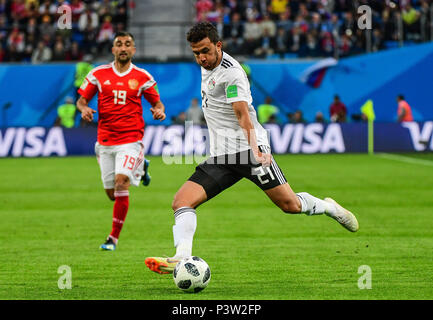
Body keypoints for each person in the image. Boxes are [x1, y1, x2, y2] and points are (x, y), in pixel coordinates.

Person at [144, 22, 359, 274]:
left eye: (205, 51)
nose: (201, 58)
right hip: (222, 155)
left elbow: (241, 113)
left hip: (249, 152)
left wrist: (256, 149)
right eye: (196, 53)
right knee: (181, 201)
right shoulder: (207, 65)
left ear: (218, 45)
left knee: (290, 205)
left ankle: (329, 207)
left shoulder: (232, 73)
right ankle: (181, 257)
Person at [76, 31, 166, 251]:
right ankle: (141, 168)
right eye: (119, 44)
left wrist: (158, 111)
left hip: (131, 138)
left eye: (128, 44)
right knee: (111, 194)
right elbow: (81, 101)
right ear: (113, 49)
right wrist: (85, 109)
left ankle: (112, 239)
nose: (123, 47)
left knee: (121, 183)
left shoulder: (142, 76)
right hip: (105, 141)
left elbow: (158, 103)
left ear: (133, 50)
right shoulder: (98, 74)